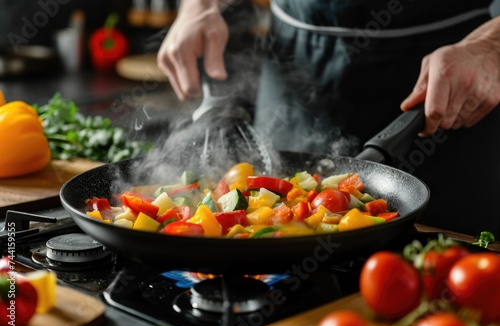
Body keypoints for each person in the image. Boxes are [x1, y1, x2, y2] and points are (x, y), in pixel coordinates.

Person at [157, 0, 500, 236]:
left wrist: (491, 47)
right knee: (276, 228)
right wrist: (198, 7)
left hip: (457, 66)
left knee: (456, 254)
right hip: (296, 58)